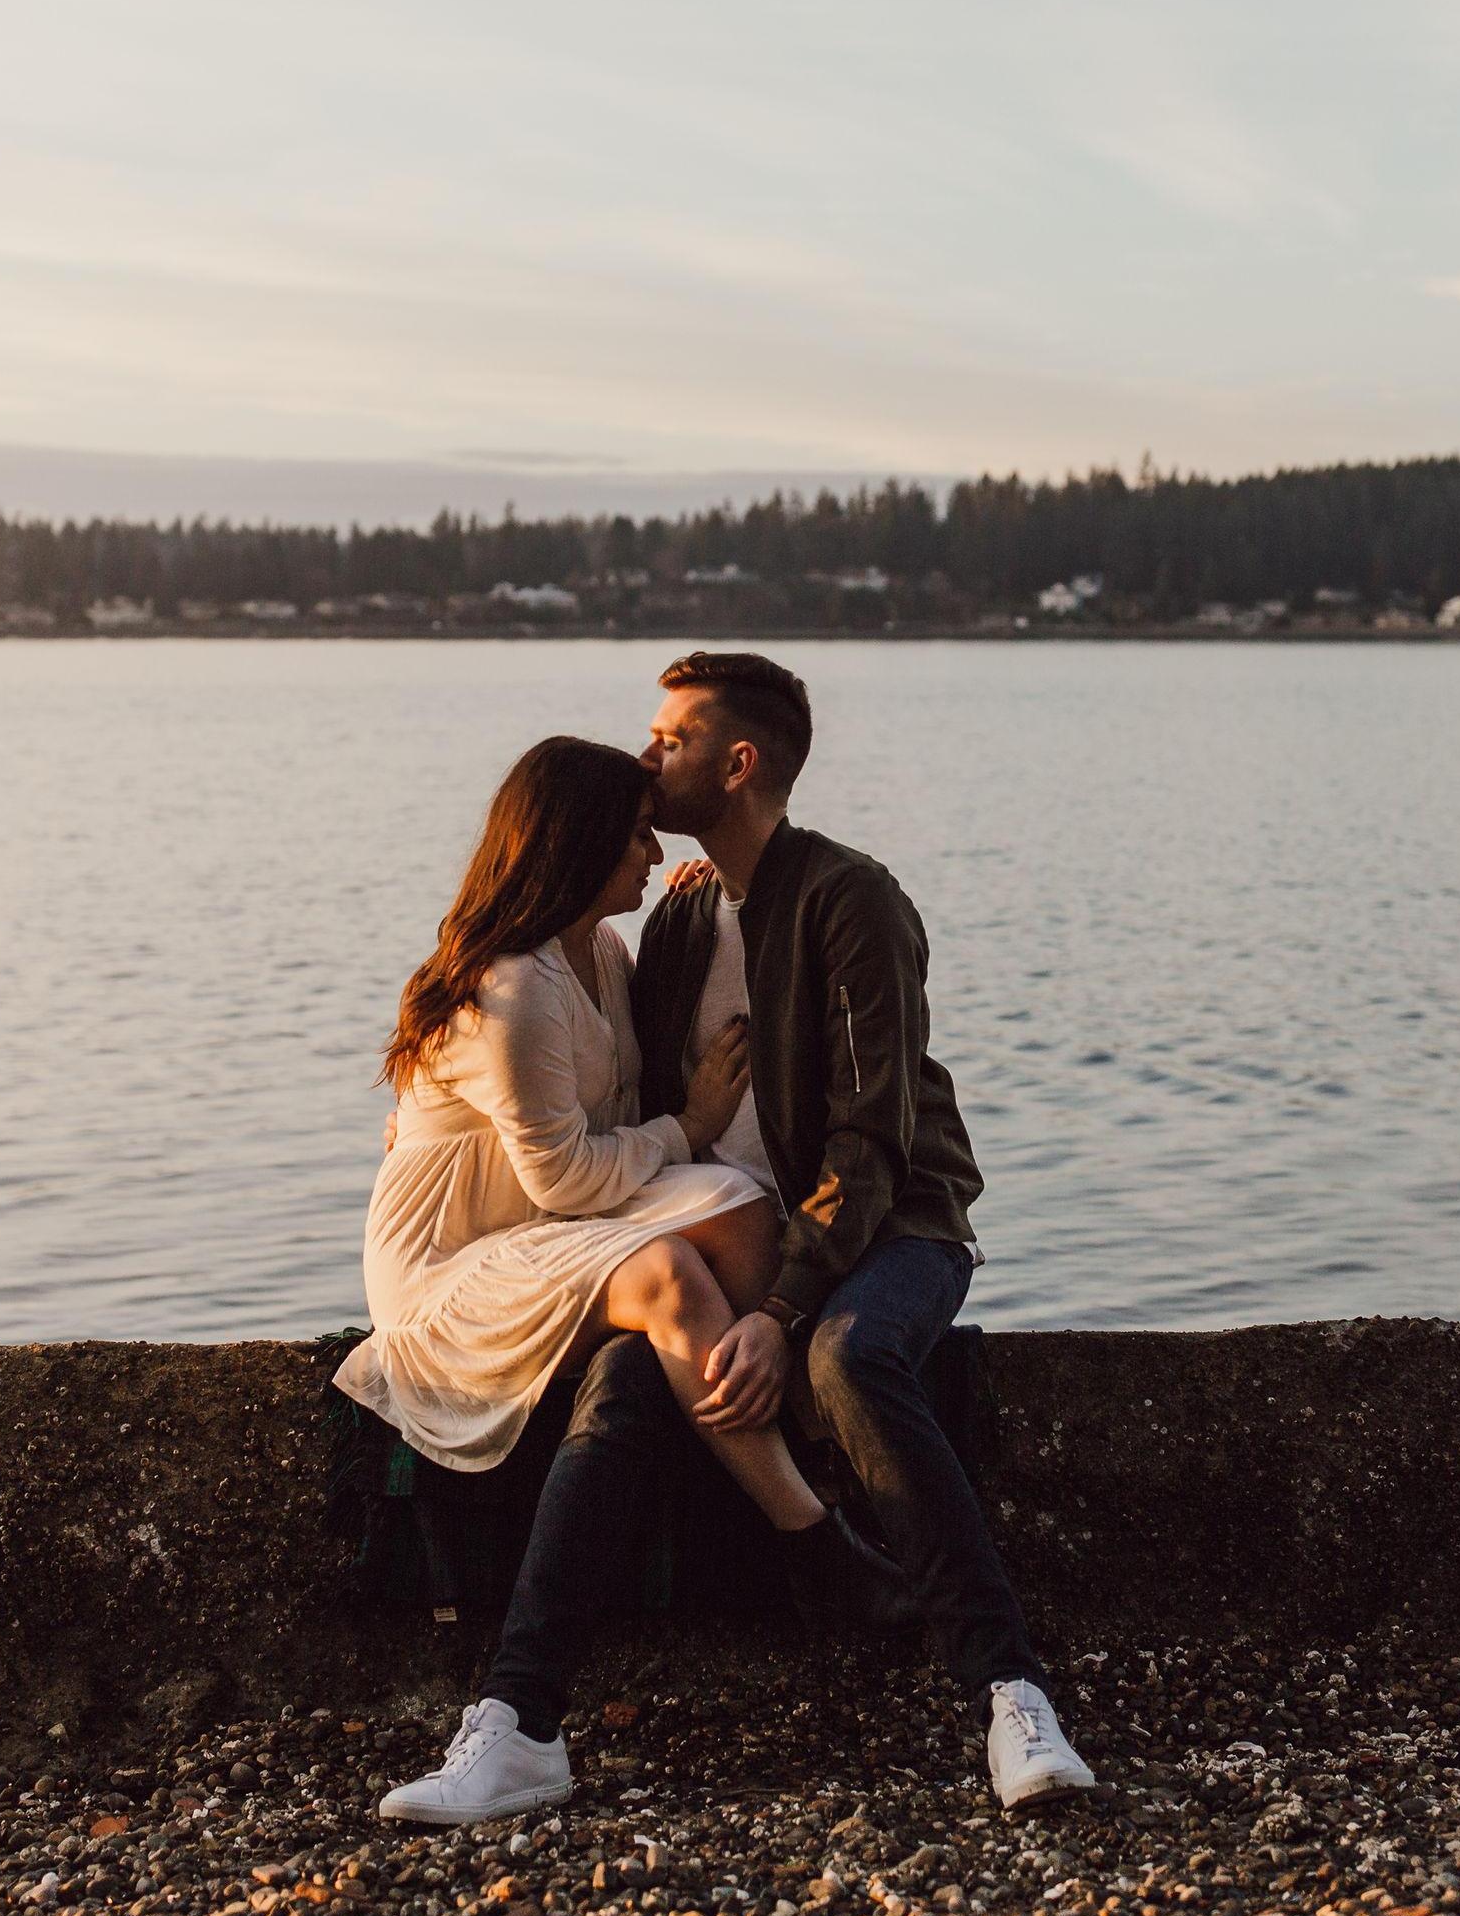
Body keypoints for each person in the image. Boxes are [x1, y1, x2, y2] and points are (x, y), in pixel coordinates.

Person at [371, 654, 1093, 1828]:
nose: (648, 757)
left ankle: (1014, 1696)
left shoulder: (851, 901)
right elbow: (632, 1124)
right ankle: (517, 1727)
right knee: (619, 1384)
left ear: (736, 763)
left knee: (846, 1362)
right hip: (714, 1249)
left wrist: (779, 1311)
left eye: (669, 739)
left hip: (884, 1228)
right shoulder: (674, 919)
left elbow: (868, 1147)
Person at [336, 736, 901, 1639]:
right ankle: (814, 1538)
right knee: (675, 1269)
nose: (658, 854)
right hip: (450, 1269)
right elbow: (563, 1175)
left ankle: (766, 1429)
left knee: (735, 1205)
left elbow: (612, 1107)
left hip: (542, 1234)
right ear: (577, 844)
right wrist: (693, 1126)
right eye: (639, 838)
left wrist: (699, 904)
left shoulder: (597, 948)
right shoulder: (510, 989)